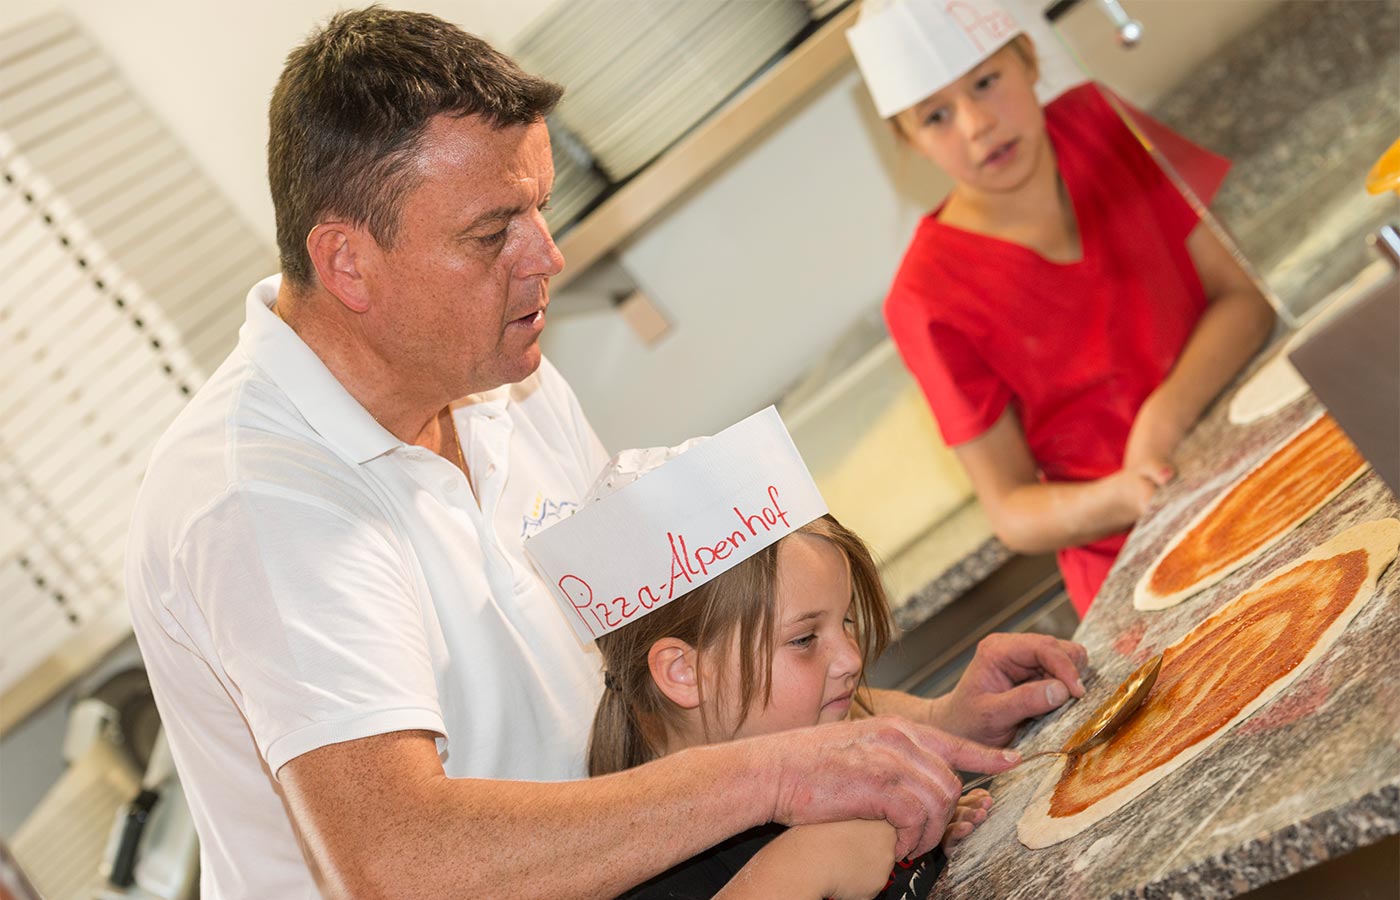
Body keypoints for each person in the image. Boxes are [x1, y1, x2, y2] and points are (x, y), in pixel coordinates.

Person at [124, 8, 1088, 899]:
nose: (546, 255)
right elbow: (398, 862)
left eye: (538, 208)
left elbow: (685, 692)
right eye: (493, 230)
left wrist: (931, 725)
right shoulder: (255, 498)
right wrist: (783, 775)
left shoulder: (507, 379)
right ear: (346, 265)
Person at [847, 0, 1276, 615]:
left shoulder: (1100, 123)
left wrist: (1162, 420)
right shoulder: (925, 297)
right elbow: (1012, 510)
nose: (975, 124)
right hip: (1139, 572)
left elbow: (1243, 299)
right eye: (936, 116)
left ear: (1027, 60)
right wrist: (1124, 496)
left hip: (1254, 455)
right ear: (909, 140)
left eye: (987, 82)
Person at [560, 423, 992, 899]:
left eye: (846, 621)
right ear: (684, 673)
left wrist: (926, 849)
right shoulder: (658, 878)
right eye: (805, 638)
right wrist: (808, 865)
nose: (851, 659)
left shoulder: (839, 755)